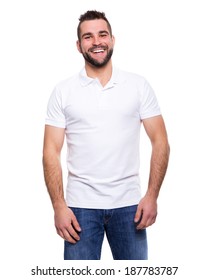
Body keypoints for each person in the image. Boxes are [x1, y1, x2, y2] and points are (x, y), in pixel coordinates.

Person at [42, 10, 170, 260]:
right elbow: (50, 151)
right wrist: (58, 205)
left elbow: (161, 141)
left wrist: (152, 196)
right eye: (88, 37)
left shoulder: (138, 85)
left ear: (112, 39)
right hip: (80, 209)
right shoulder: (63, 91)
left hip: (130, 207)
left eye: (102, 34)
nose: (96, 41)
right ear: (79, 46)